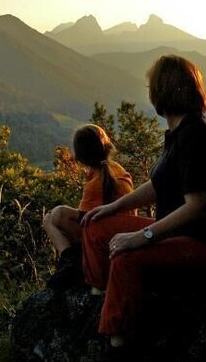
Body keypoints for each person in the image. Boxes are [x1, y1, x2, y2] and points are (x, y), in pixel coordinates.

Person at [80, 55, 206, 351]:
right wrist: (113, 207)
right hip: (177, 235)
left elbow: (198, 205)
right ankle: (101, 298)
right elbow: (159, 184)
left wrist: (143, 237)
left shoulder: (196, 136)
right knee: (96, 223)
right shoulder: (178, 133)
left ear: (162, 90)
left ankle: (119, 339)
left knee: (126, 255)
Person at [43, 124, 134, 290]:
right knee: (57, 215)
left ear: (81, 157)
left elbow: (85, 220)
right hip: (125, 233)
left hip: (105, 238)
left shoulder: (95, 184)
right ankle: (72, 258)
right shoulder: (116, 170)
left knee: (52, 218)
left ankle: (68, 260)